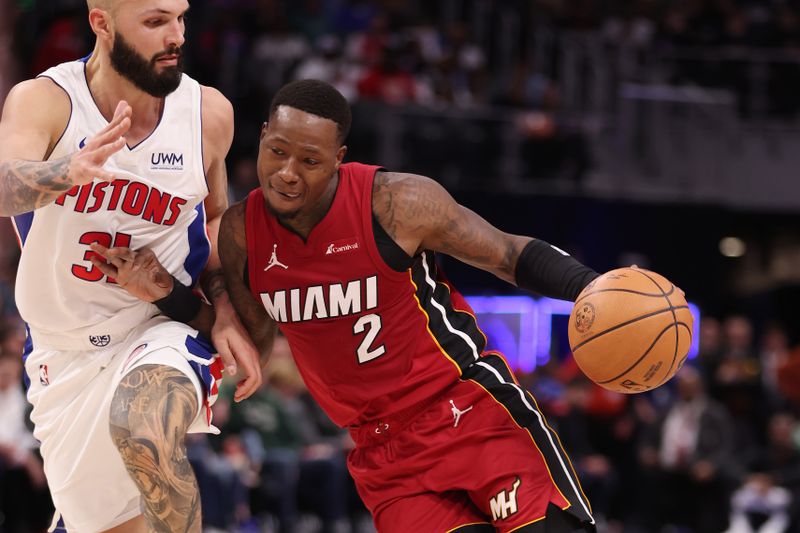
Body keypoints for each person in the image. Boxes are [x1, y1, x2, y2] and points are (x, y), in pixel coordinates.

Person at [96, 78, 601, 532]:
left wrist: (595, 287)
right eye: (277, 152)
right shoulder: (242, 232)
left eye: (310, 161)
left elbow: (508, 255)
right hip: (383, 457)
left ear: (339, 158)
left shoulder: (397, 203)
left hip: (467, 412)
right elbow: (249, 343)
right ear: (264, 135)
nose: (287, 174)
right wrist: (169, 294)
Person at [0, 1, 261, 531]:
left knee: (145, 421)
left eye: (181, 18)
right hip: (63, 351)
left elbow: (213, 223)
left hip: (158, 325)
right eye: (156, 21)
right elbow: (4, 187)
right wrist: (67, 171)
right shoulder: (45, 102)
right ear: (101, 23)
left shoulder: (208, 114)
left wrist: (227, 309)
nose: (176, 36)